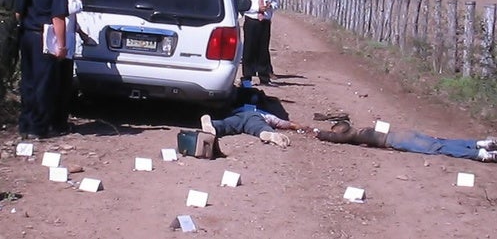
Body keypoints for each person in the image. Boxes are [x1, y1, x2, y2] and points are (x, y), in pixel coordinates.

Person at [15, 0, 83, 139]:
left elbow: (18, 10)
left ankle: (25, 125)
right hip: (45, 38)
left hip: (27, 35)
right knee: (44, 84)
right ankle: (39, 128)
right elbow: (58, 17)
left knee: (28, 81)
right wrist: (61, 46)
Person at [314, 121, 497, 162]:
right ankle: (478, 143)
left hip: (397, 140)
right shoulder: (362, 129)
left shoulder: (351, 135)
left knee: (438, 148)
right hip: (404, 133)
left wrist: (317, 133)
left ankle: (480, 154)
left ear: (340, 129)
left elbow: (333, 138)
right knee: (441, 141)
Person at [52, 0, 94, 134]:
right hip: (60, 48)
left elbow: (73, 22)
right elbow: (74, 7)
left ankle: (60, 121)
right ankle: (56, 122)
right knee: (59, 87)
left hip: (68, 49)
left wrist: (83, 35)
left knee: (64, 87)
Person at [240, 0, 278, 86]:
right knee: (249, 49)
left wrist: (270, 6)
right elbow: (243, 5)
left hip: (265, 22)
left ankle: (264, 77)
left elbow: (276, 4)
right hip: (252, 21)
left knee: (263, 50)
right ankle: (247, 78)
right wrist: (258, 8)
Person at [201, 110, 292, 148]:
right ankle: (270, 134)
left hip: (238, 114)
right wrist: (300, 127)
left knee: (228, 124)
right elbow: (282, 123)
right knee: (260, 127)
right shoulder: (266, 114)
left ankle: (214, 125)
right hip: (255, 117)